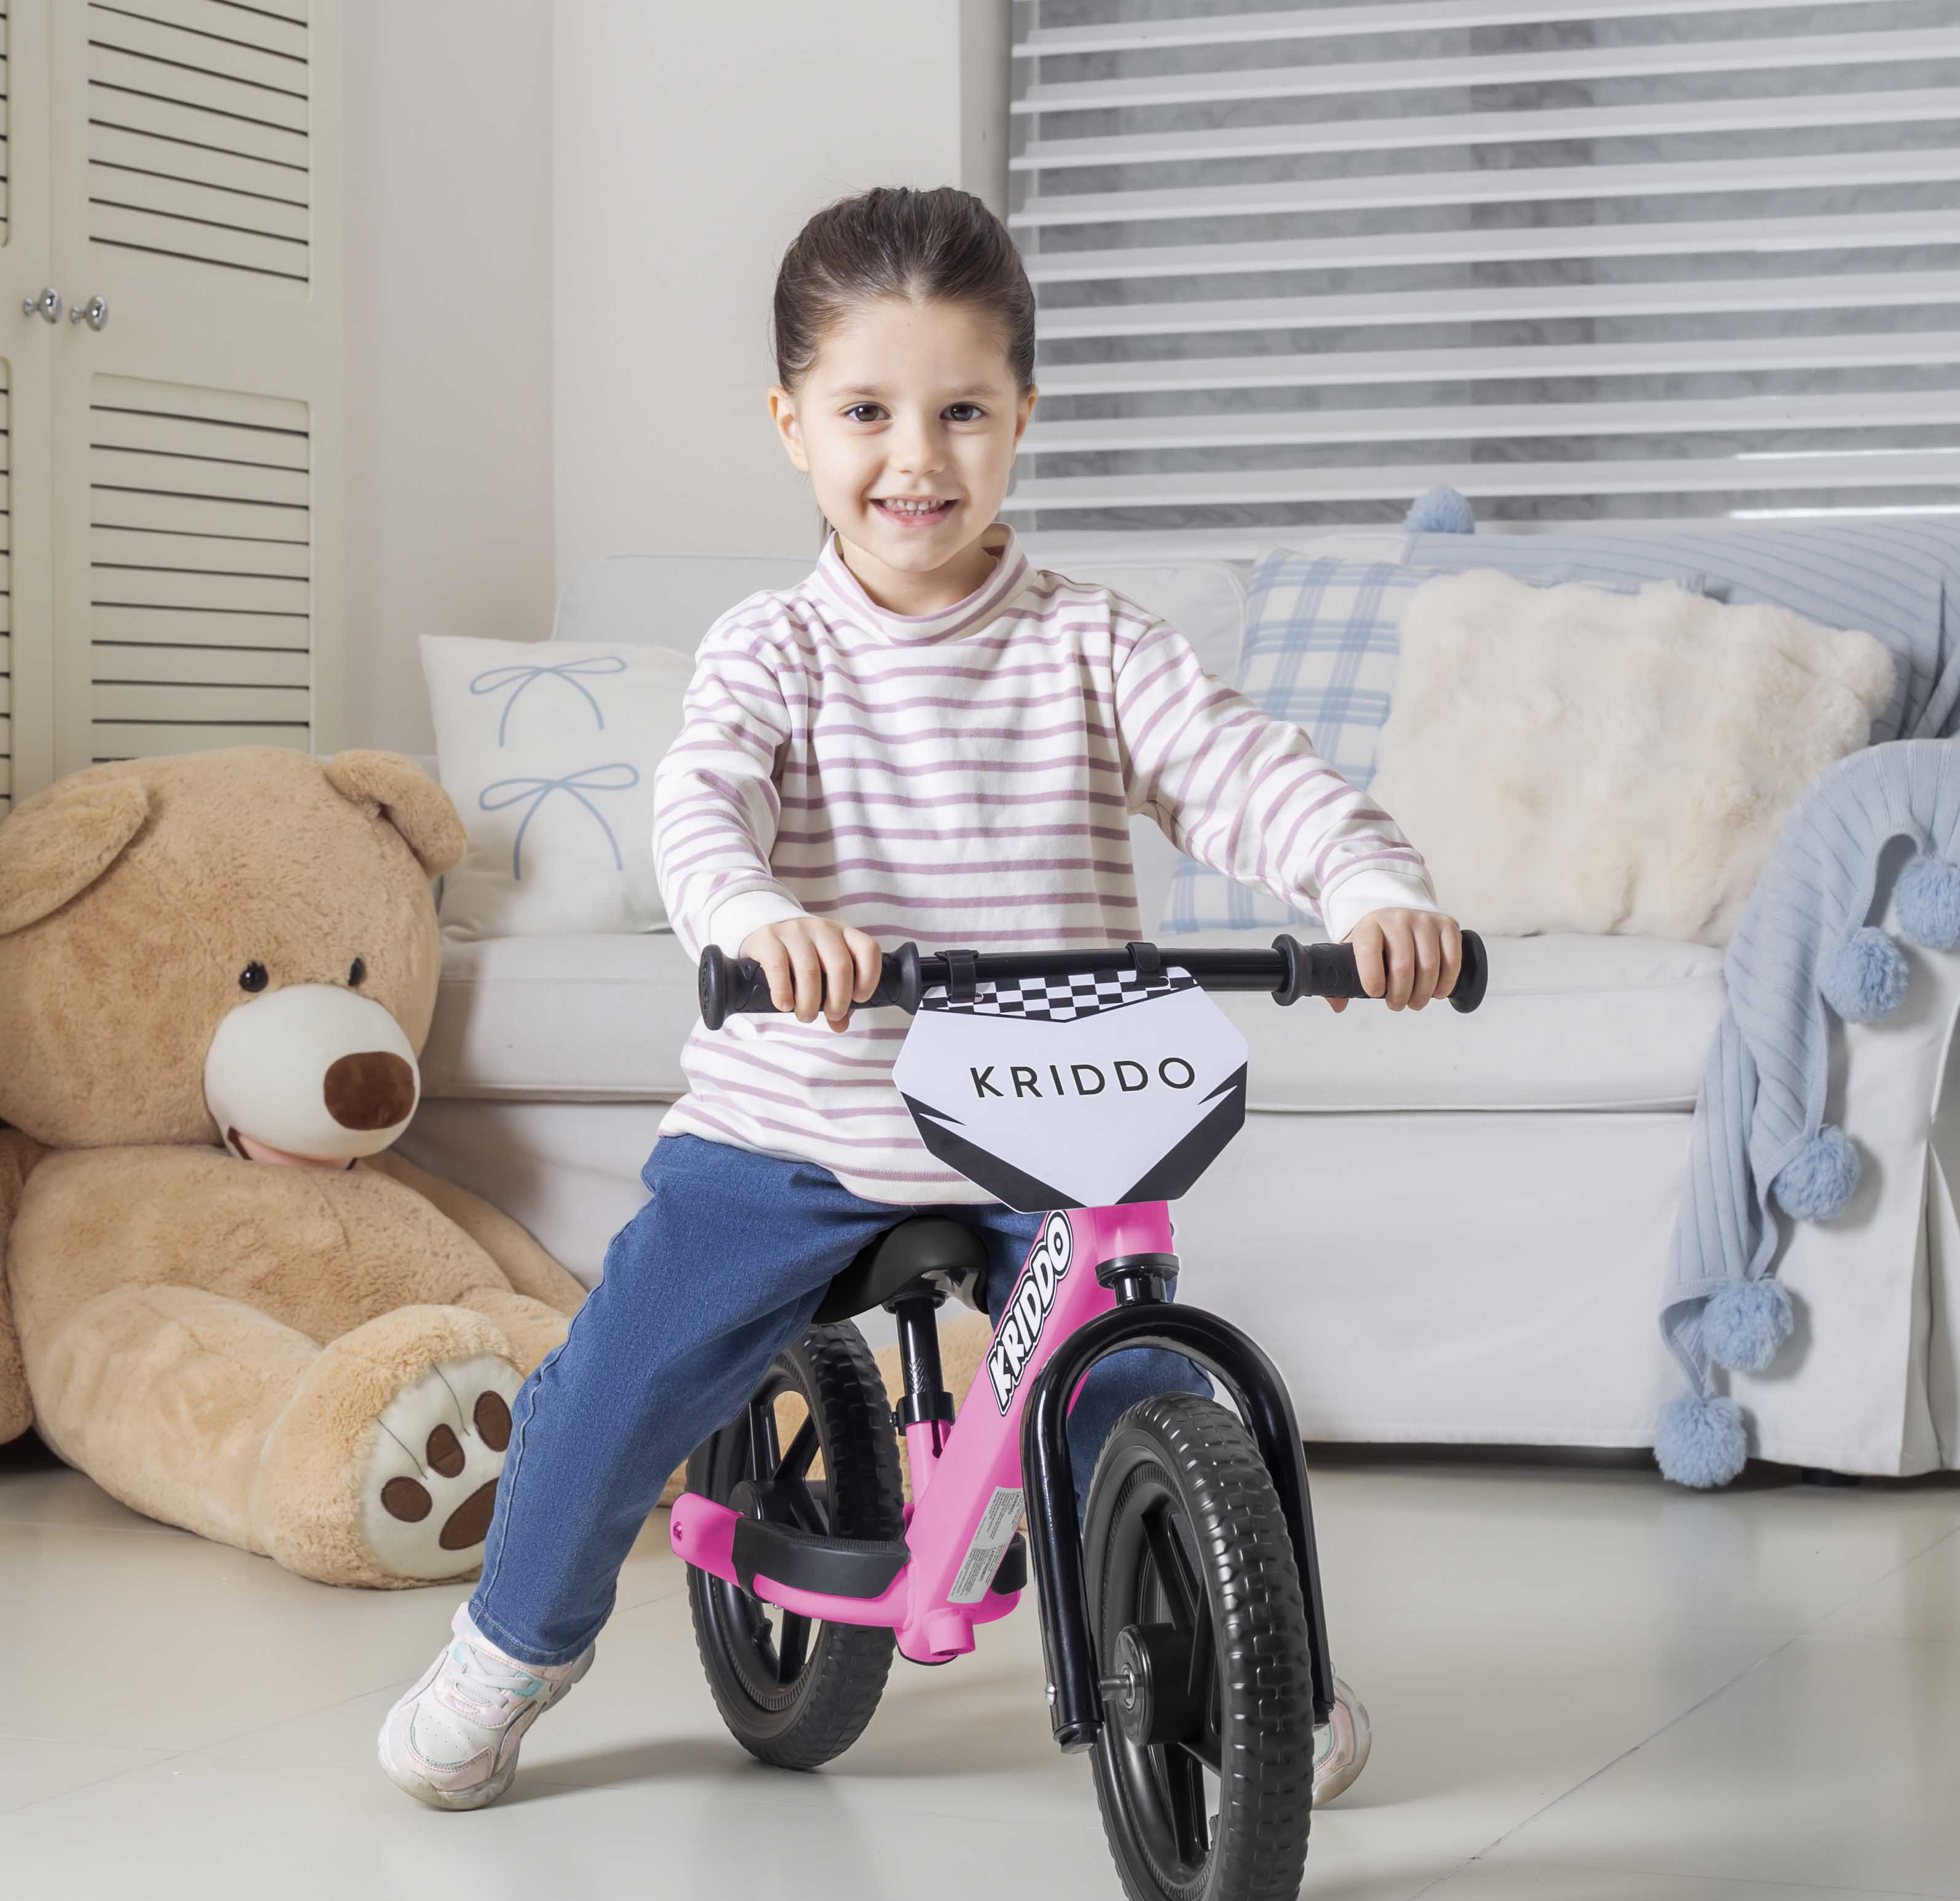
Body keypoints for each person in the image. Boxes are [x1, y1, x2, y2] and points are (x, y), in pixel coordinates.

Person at [379, 185, 1461, 1814]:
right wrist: (752, 912)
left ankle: (1244, 1671)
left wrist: (1369, 890)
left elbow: (1248, 775)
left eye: (961, 411)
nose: (916, 458)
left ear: (1020, 416)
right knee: (621, 1375)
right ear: (792, 425)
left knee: (1140, 1382)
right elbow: (704, 804)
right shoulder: (772, 650)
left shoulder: (1095, 644)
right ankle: (515, 1638)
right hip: (801, 1118)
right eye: (866, 412)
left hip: (1052, 1124)